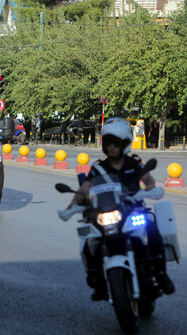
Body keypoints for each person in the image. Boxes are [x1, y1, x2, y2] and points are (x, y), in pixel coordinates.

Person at [67, 117, 175, 300]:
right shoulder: (99, 167)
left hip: (132, 210)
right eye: (108, 143)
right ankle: (98, 280)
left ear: (124, 143)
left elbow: (147, 179)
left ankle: (161, 273)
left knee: (152, 228)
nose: (111, 147)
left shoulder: (133, 162)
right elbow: (85, 187)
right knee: (88, 241)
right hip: (107, 212)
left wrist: (149, 187)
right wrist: (71, 206)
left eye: (115, 143)